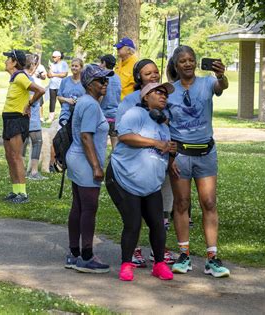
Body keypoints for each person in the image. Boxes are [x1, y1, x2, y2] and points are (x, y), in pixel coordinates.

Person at [166, 45, 230, 278]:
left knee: (209, 202)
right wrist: (170, 155)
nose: (188, 64)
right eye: (182, 61)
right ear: (175, 65)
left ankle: (212, 258)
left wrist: (221, 75)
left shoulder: (206, 83)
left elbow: (221, 86)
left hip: (206, 154)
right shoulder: (168, 90)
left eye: (191, 60)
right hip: (181, 155)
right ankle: (184, 255)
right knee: (181, 204)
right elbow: (163, 123)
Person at [106, 82, 176, 281]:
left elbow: (163, 147)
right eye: (158, 92)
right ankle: (126, 265)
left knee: (158, 224)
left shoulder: (163, 124)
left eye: (165, 94)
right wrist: (156, 142)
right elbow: (125, 136)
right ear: (145, 97)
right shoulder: (135, 114)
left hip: (150, 184)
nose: (163, 96)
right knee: (133, 223)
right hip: (124, 178)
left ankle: (160, 264)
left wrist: (170, 151)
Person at [64, 64, 113, 274]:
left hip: (75, 159)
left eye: (106, 80)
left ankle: (74, 254)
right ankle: (86, 256)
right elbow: (86, 136)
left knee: (78, 207)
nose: (105, 83)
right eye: (101, 81)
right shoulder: (91, 105)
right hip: (85, 162)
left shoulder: (85, 102)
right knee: (89, 209)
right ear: (89, 84)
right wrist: (96, 166)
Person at [1, 49, 45, 204]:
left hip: (17, 120)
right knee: (9, 156)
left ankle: (23, 193)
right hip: (8, 119)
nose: (5, 61)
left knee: (16, 156)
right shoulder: (14, 78)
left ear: (14, 62)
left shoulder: (20, 76)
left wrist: (30, 104)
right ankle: (15, 191)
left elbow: (40, 90)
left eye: (8, 59)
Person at [22, 54, 46, 180]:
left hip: (21, 116)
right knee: (37, 142)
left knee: (23, 142)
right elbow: (37, 94)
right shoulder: (29, 79)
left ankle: (21, 170)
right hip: (32, 116)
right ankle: (34, 172)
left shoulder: (19, 77)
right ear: (33, 65)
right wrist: (32, 102)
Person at [99, 54, 121, 149]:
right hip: (115, 115)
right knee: (115, 144)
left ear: (104, 63)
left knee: (100, 143)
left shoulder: (102, 78)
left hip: (103, 115)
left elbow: (100, 97)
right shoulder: (117, 78)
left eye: (101, 63)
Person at [57, 58, 85, 126]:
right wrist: (67, 100)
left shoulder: (85, 82)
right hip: (65, 114)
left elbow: (88, 98)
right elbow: (59, 97)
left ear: (81, 68)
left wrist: (79, 100)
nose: (74, 68)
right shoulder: (65, 81)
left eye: (76, 66)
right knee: (64, 134)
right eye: (72, 66)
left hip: (80, 115)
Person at [46, 51, 68, 123]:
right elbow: (49, 76)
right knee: (52, 101)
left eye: (54, 57)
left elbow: (64, 74)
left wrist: (54, 75)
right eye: (52, 57)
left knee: (62, 101)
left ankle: (64, 116)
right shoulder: (52, 64)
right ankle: (51, 118)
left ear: (59, 57)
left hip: (60, 86)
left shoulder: (63, 63)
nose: (53, 58)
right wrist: (49, 68)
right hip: (52, 85)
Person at [33, 54, 47, 122]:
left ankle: (41, 117)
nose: (34, 61)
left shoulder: (41, 67)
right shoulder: (29, 66)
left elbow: (44, 77)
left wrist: (38, 75)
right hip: (31, 87)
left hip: (38, 87)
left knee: (40, 103)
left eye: (36, 60)